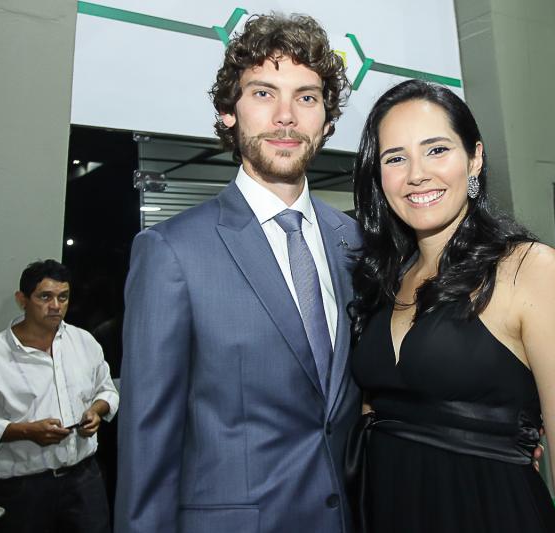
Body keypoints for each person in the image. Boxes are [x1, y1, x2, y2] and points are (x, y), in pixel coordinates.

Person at [114, 14, 363, 533]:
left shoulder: (355, 242)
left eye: (307, 97)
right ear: (229, 112)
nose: (286, 116)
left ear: (327, 120)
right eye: (263, 93)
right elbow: (148, 442)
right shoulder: (171, 252)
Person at [348, 80, 555, 532]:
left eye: (437, 150)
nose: (417, 174)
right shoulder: (381, 278)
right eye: (395, 158)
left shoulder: (530, 270)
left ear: (474, 158)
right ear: (378, 176)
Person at [0, 259, 118, 533]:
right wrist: (25, 431)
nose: (56, 306)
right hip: (24, 488)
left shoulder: (84, 342)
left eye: (63, 297)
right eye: (45, 297)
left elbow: (107, 390)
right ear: (22, 300)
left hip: (84, 479)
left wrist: (96, 411)